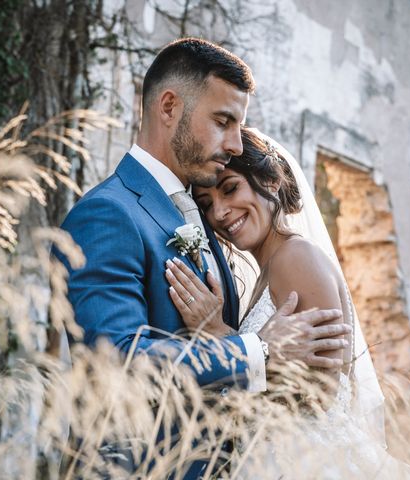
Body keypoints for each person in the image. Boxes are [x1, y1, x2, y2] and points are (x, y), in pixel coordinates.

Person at [54, 38, 351, 478]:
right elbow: (114, 362)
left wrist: (223, 335)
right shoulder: (108, 213)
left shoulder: (195, 214)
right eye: (223, 121)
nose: (235, 143)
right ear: (169, 107)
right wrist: (260, 349)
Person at [166, 127, 410, 478]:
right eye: (207, 204)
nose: (221, 212)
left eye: (230, 189)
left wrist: (218, 336)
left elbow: (316, 395)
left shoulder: (295, 259)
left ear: (271, 180)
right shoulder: (272, 267)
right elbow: (284, 363)